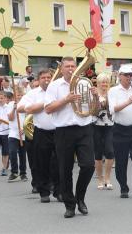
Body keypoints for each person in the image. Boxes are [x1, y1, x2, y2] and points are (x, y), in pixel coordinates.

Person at [44, 57, 96, 218]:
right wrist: (66, 99)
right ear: (62, 69)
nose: (71, 69)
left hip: (84, 128)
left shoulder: (85, 83)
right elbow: (48, 108)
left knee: (88, 166)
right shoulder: (55, 86)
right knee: (65, 169)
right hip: (64, 131)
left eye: (73, 66)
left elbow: (94, 110)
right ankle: (70, 204)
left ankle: (80, 198)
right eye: (67, 66)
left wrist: (96, 97)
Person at [108, 66, 132, 199]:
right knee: (121, 161)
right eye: (126, 75)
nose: (129, 78)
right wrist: (128, 101)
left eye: (131, 75)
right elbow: (113, 109)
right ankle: (123, 187)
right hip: (119, 129)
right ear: (120, 76)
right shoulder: (113, 91)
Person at [24, 69, 60, 201]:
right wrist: (46, 102)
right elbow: (28, 109)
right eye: (43, 77)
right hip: (41, 132)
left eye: (49, 77)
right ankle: (44, 192)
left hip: (59, 131)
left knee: (59, 163)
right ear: (38, 80)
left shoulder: (58, 91)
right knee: (42, 163)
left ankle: (59, 191)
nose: (46, 79)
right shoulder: (33, 93)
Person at [93, 73, 115, 190]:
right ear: (98, 83)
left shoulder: (112, 94)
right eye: (102, 82)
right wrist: (97, 98)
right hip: (96, 125)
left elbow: (114, 109)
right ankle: (100, 179)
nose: (104, 84)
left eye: (106, 82)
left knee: (110, 152)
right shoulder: (93, 94)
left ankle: (107, 178)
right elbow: (93, 111)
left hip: (110, 125)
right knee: (98, 153)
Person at [7, 89, 28, 183]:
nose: (19, 97)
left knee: (22, 154)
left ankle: (23, 173)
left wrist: (24, 129)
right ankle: (14, 172)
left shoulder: (26, 104)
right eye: (17, 95)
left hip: (23, 132)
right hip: (13, 133)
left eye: (21, 95)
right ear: (14, 96)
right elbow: (10, 118)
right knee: (12, 151)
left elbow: (30, 118)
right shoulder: (10, 104)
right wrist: (14, 108)